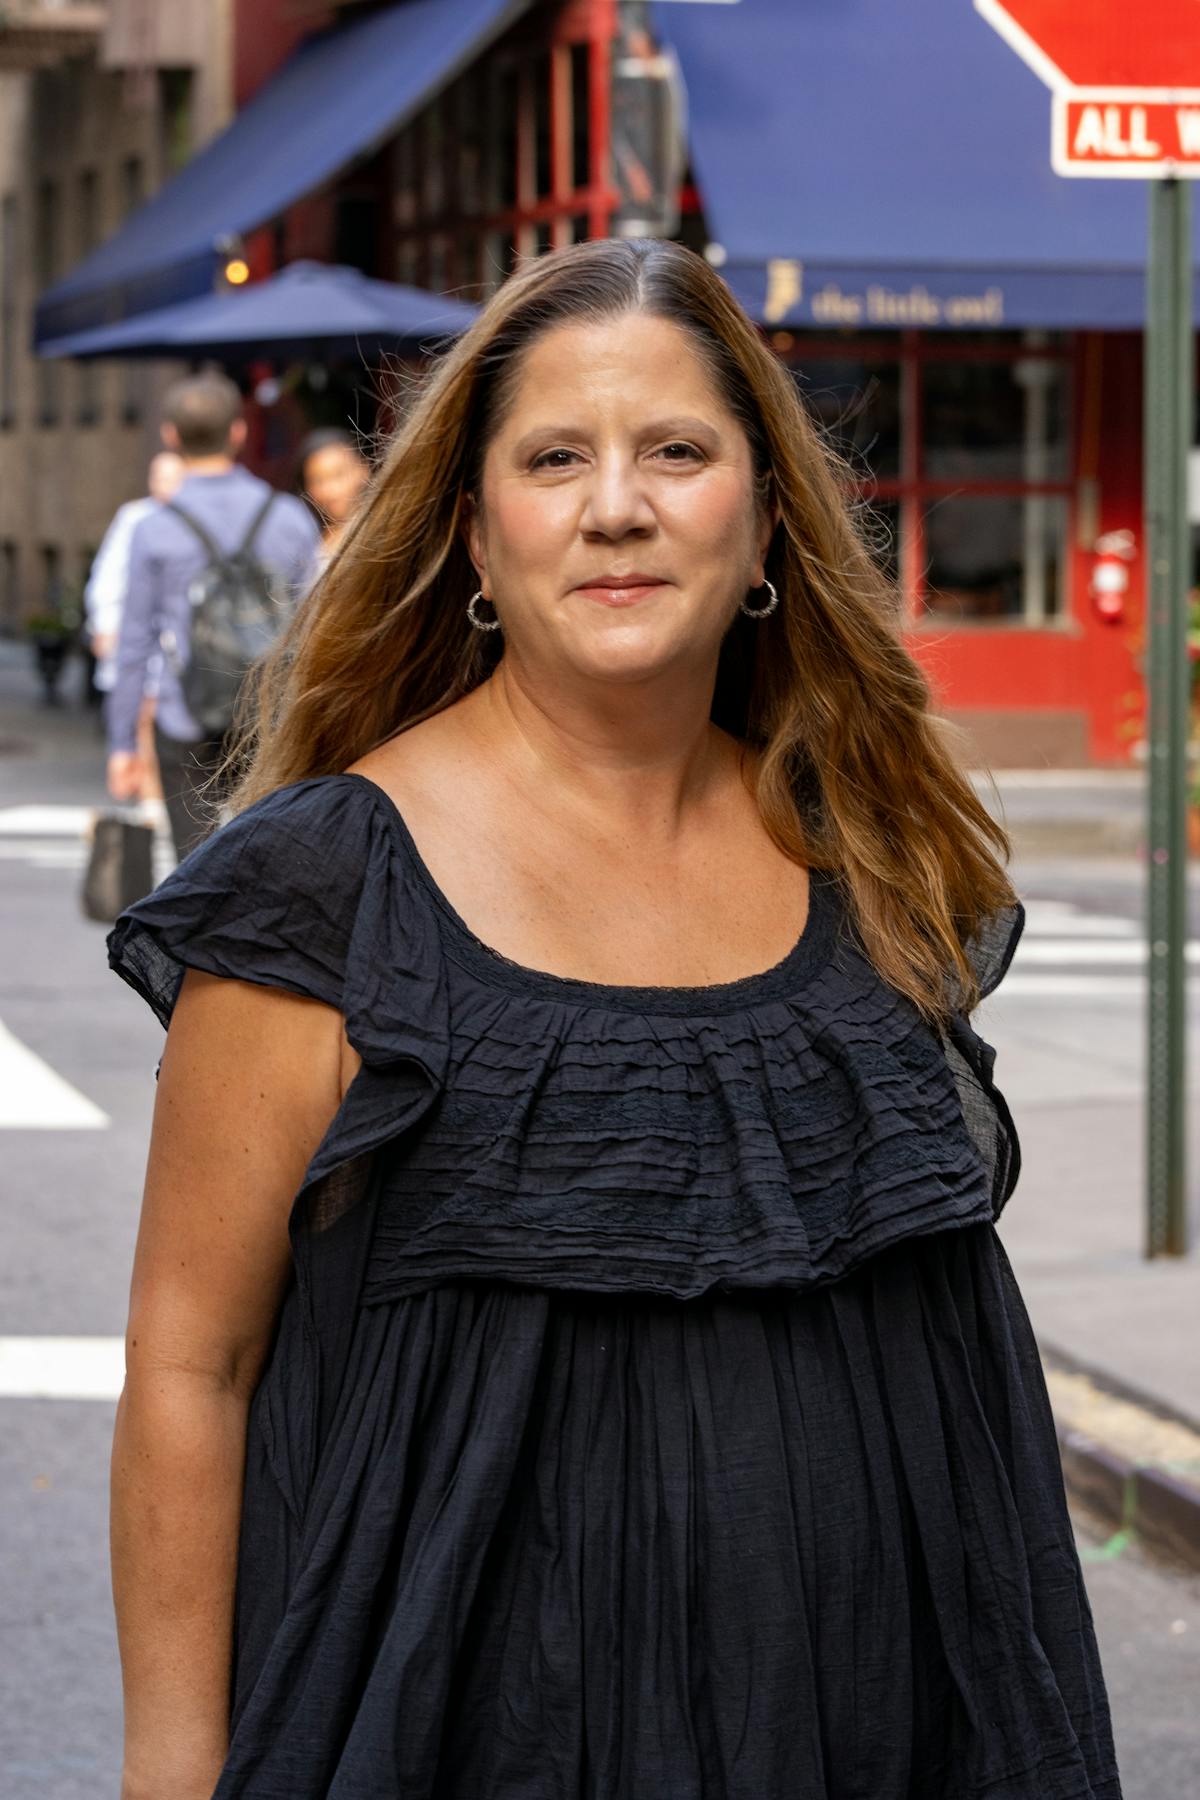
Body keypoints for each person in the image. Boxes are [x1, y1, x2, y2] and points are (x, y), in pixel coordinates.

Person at [105, 241, 1122, 1799]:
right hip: (447, 1735)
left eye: (679, 452)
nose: (617, 506)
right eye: (555, 457)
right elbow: (192, 1367)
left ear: (769, 516)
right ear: (473, 534)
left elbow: (957, 1396)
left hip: (869, 1728)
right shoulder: (322, 892)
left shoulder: (872, 866)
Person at [105, 372, 319, 862]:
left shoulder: (154, 529)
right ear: (239, 432)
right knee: (269, 860)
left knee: (193, 865)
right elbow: (314, 628)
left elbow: (134, 642)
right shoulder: (287, 516)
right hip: (266, 714)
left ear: (171, 436)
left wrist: (122, 742)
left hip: (185, 714)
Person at [297, 427, 370, 568]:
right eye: (318, 481)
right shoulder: (310, 541)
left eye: (339, 475)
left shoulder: (381, 533)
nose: (330, 490)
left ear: (363, 469)